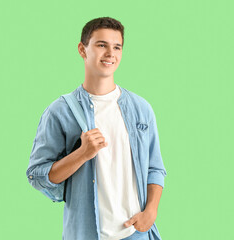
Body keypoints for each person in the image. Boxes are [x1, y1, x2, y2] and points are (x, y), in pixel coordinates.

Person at [26, 17, 167, 240]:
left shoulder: (141, 109)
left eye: (117, 46)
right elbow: (37, 176)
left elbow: (155, 168)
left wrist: (151, 212)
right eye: (102, 45)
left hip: (136, 233)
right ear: (83, 50)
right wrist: (82, 154)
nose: (111, 53)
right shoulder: (60, 112)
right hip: (86, 233)